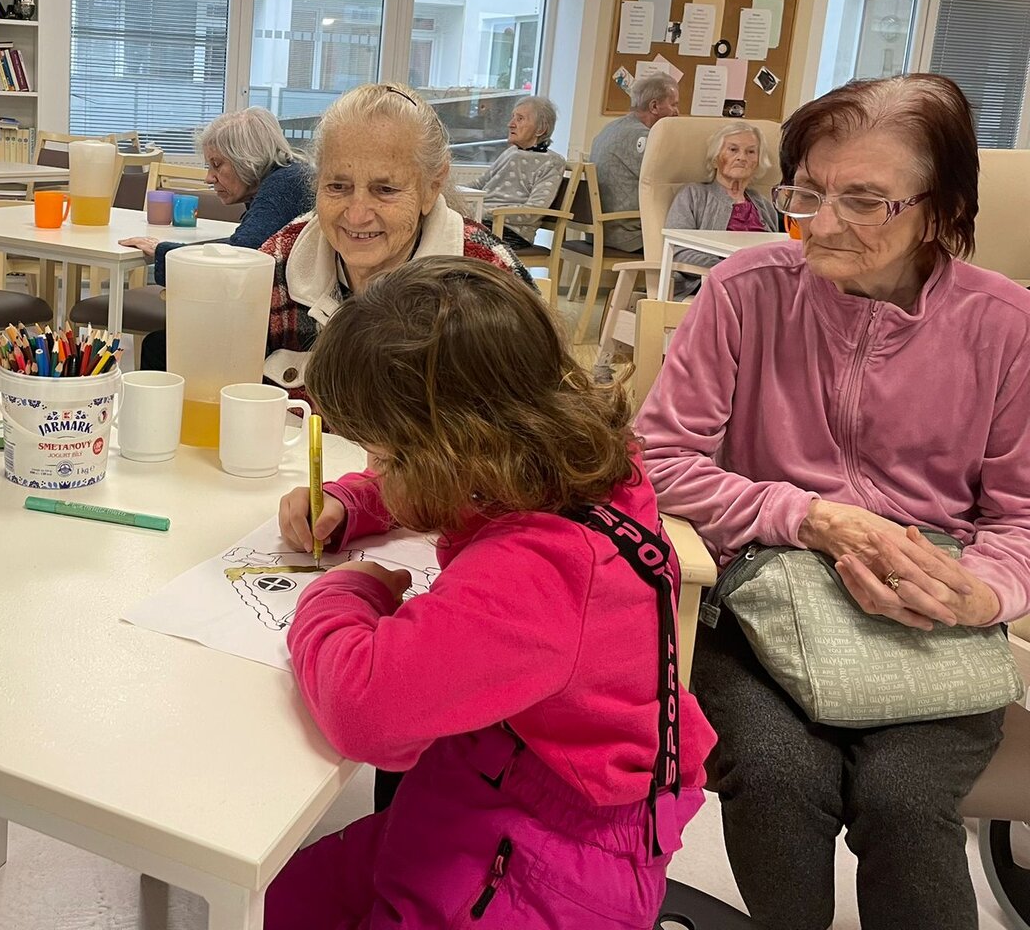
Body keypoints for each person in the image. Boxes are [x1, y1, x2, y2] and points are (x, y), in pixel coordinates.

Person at [637, 74, 1030, 930]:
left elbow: (1021, 515)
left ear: (939, 210)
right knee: (776, 775)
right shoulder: (745, 291)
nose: (818, 224)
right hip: (761, 593)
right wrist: (807, 517)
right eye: (807, 192)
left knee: (904, 799)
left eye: (863, 200)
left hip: (930, 610)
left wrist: (982, 594)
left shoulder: (1007, 327)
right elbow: (657, 460)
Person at [263, 256, 714, 930]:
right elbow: (468, 486)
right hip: (483, 787)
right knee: (276, 901)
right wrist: (353, 501)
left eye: (386, 457)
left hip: (545, 867)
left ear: (448, 454)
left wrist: (345, 592)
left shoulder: (540, 571)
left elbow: (365, 713)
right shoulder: (579, 462)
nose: (375, 468)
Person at [262, 82, 527, 402]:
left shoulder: (488, 276)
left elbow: (535, 422)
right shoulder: (280, 260)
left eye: (385, 190)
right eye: (337, 186)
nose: (357, 215)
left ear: (431, 187)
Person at [120, 107, 313, 284]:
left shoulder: (284, 184)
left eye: (217, 165)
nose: (208, 178)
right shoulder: (290, 175)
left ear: (248, 159)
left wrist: (162, 250)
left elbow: (240, 255)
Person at [661, 120, 780, 297]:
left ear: (758, 162)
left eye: (750, 152)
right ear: (716, 158)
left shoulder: (764, 204)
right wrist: (731, 269)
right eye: (733, 150)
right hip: (712, 285)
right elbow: (678, 251)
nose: (742, 157)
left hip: (762, 285)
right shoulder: (693, 195)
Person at [591, 72, 680, 253]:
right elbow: (668, 181)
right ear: (654, 106)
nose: (677, 112)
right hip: (630, 235)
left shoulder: (609, 129)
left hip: (600, 231)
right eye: (674, 104)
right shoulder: (645, 138)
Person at [471, 96, 566, 250]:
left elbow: (534, 211)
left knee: (453, 238)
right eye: (512, 117)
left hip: (510, 232)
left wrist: (485, 212)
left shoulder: (552, 162)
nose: (510, 124)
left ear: (541, 129)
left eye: (520, 119)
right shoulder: (511, 152)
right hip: (484, 222)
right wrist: (449, 193)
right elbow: (478, 184)